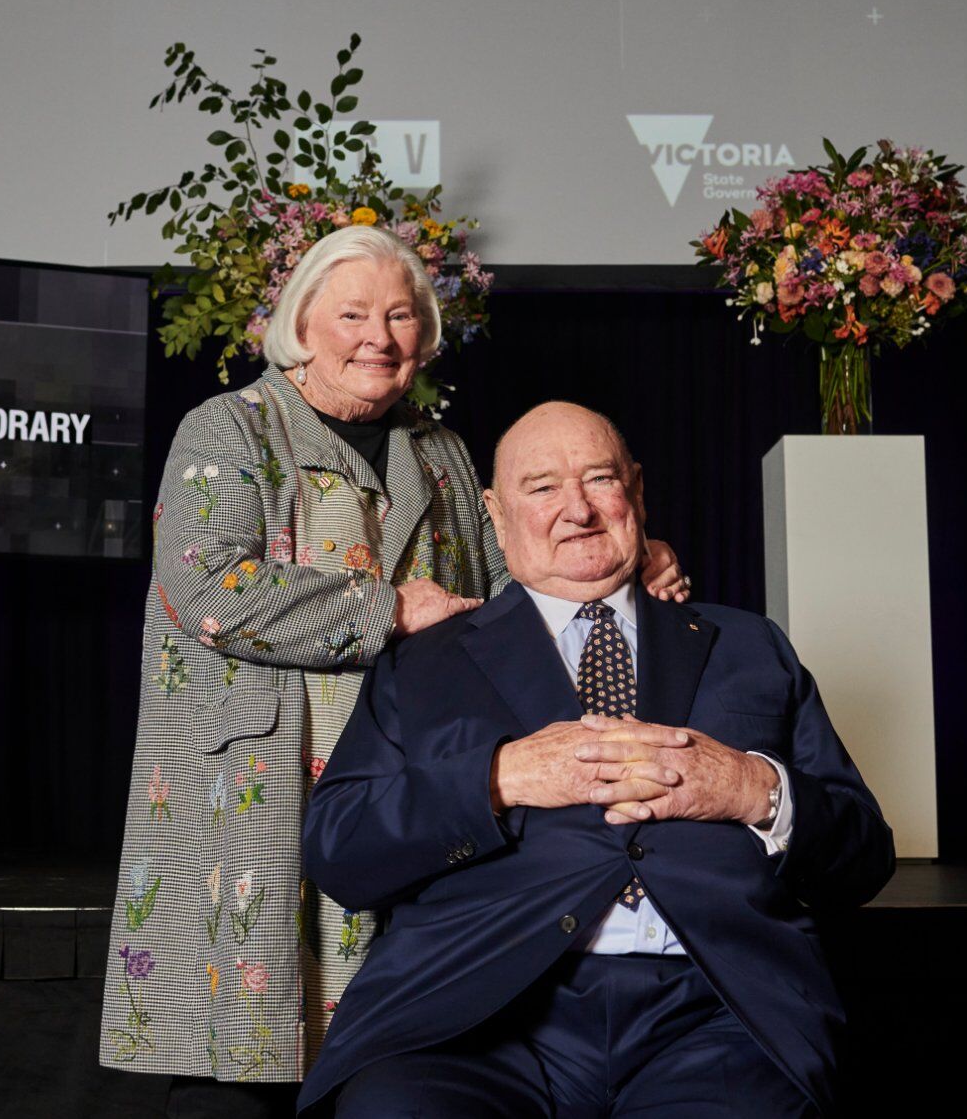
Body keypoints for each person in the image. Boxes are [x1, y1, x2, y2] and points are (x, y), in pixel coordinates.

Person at [102, 229, 688, 1117]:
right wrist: (389, 609)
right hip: (265, 776)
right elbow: (203, 580)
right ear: (301, 323)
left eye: (401, 315)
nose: (379, 335)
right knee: (248, 1045)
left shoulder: (442, 449)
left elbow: (515, 579)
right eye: (353, 314)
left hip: (405, 775)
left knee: (396, 1042)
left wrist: (626, 559)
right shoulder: (228, 426)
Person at [298, 402, 896, 1117]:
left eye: (599, 479)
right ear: (494, 510)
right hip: (472, 1019)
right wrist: (497, 780)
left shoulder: (751, 645)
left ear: (636, 490)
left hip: (716, 1017)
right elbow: (339, 850)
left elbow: (863, 856)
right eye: (543, 486)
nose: (576, 509)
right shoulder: (424, 664)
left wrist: (750, 788)